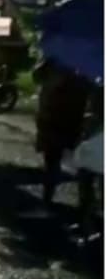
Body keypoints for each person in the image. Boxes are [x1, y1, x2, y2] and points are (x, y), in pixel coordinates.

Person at [34, 58, 93, 204]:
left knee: (77, 163)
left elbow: (38, 77)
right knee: (58, 160)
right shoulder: (81, 62)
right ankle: (82, 206)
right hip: (61, 117)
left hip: (64, 117)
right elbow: (37, 76)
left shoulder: (59, 60)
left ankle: (51, 199)